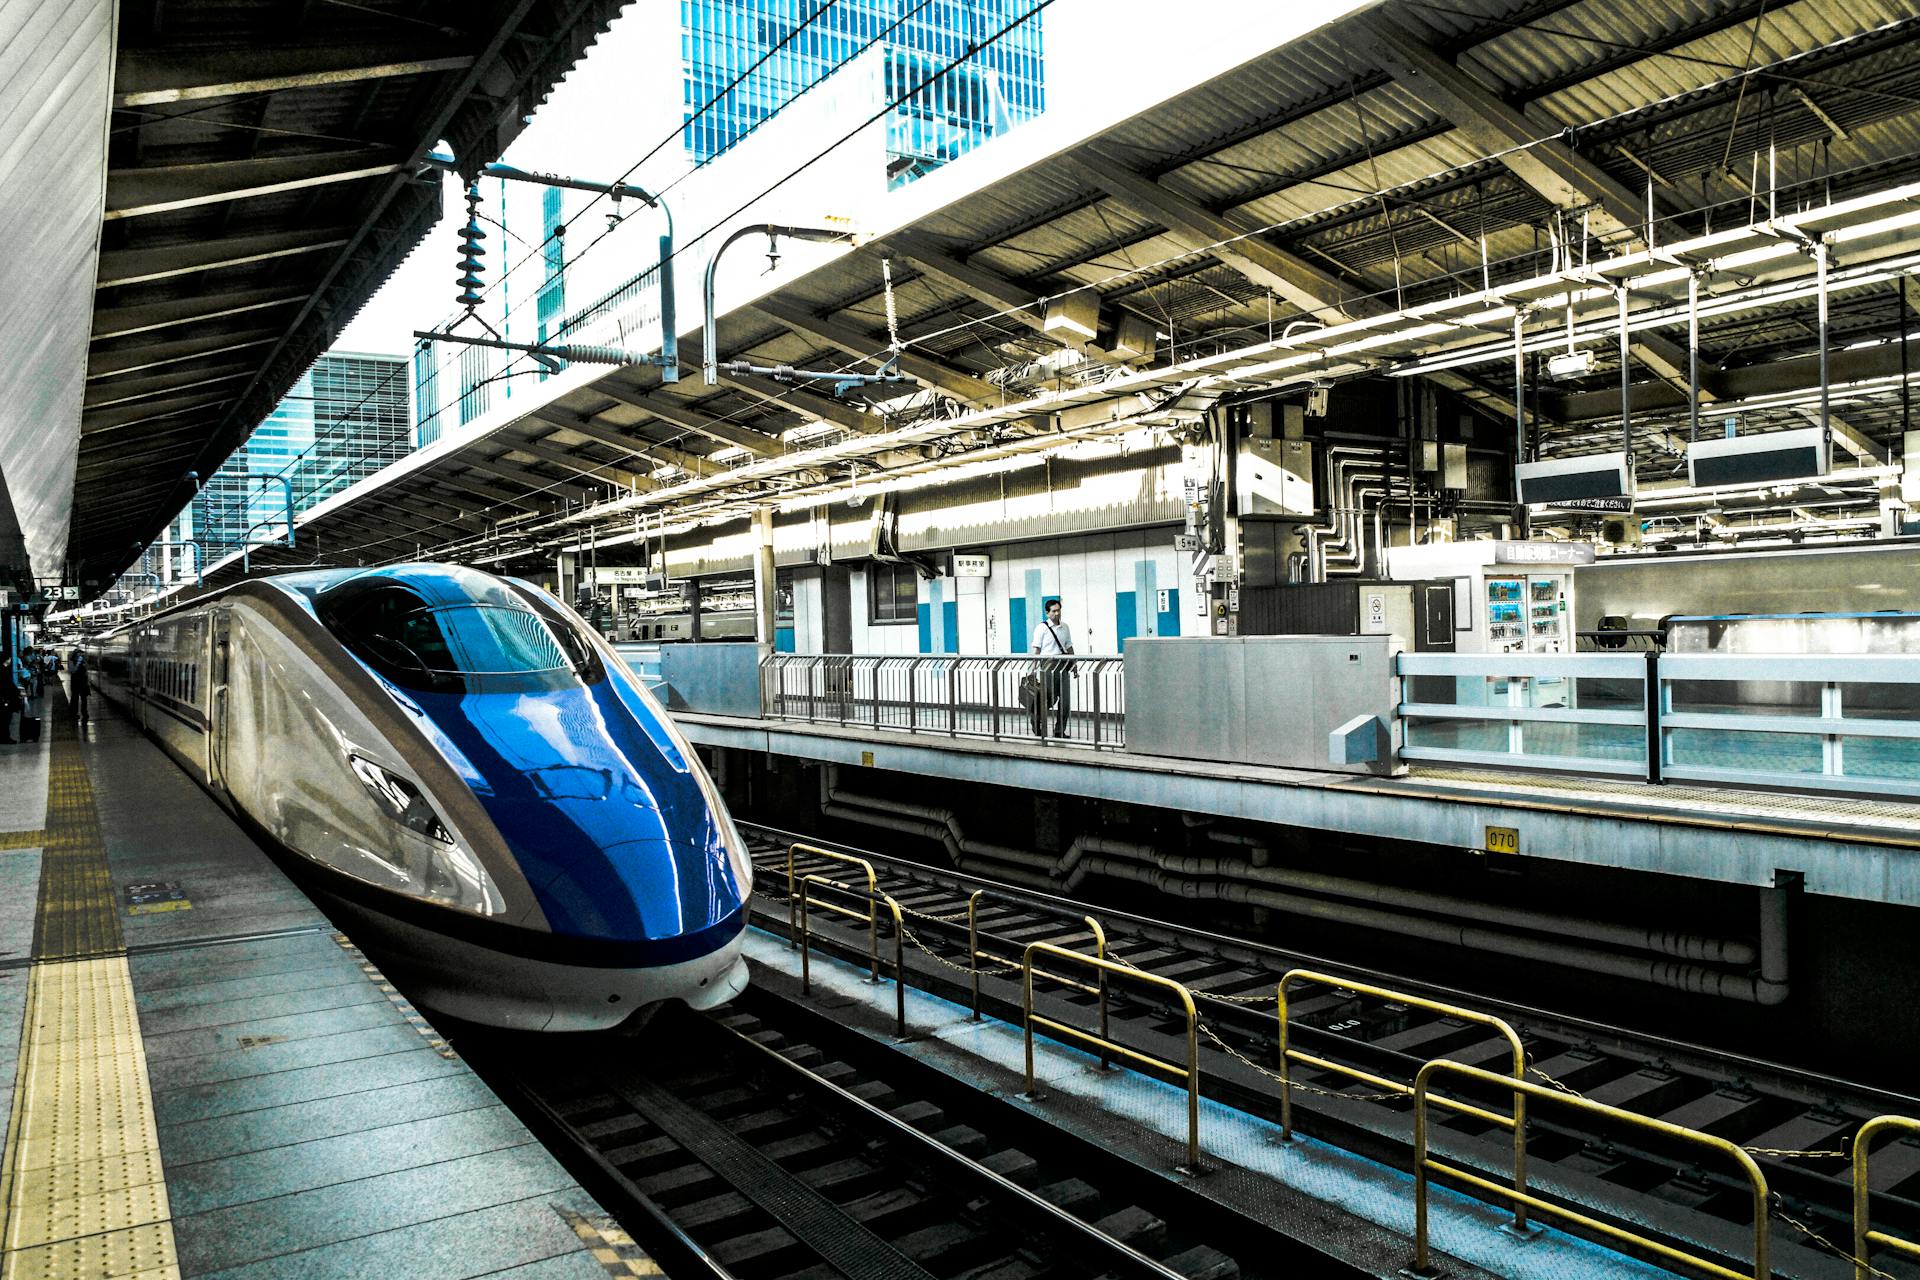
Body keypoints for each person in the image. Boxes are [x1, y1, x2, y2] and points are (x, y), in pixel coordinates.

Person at [1028, 597, 1074, 739]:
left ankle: (1059, 730)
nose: (1057, 614)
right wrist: (1032, 669)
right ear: (1047, 613)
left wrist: (1074, 664)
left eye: (1059, 610)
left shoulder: (1065, 627)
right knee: (1046, 699)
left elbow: (1069, 646)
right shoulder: (1041, 628)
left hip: (1063, 664)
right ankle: (1037, 723)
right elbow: (1036, 650)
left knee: (1065, 701)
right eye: (1054, 611)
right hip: (1047, 665)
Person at [69, 650, 90, 728]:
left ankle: (85, 713)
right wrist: (78, 663)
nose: (80, 656)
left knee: (84, 698)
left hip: (83, 682)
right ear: (74, 655)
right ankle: (74, 713)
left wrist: (84, 663)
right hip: (75, 682)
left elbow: (86, 672)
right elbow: (72, 670)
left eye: (81, 655)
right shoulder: (71, 662)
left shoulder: (83, 661)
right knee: (75, 698)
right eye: (78, 655)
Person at [0, 662, 20, 744]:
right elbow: (8, 685)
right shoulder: (3, 670)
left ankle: (4, 737)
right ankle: (5, 738)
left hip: (4, 698)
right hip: (5, 699)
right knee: (5, 720)